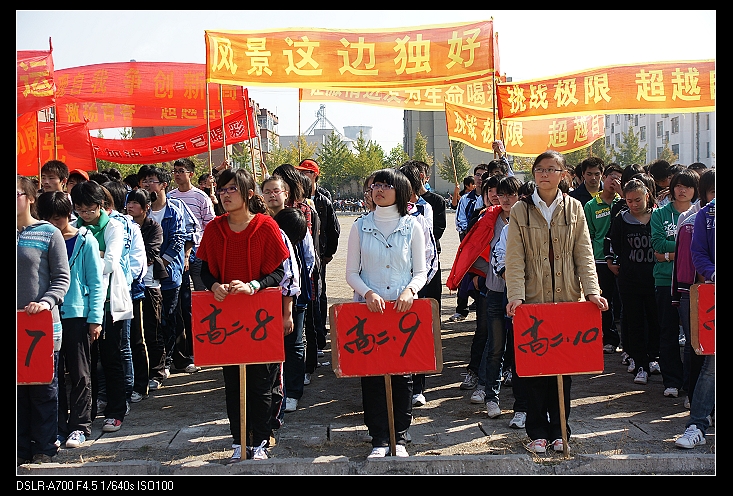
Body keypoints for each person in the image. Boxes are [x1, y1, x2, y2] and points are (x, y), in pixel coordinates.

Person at [505, 151, 608, 454]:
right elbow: (514, 258)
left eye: (552, 169)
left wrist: (591, 291)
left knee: (564, 369)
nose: (545, 174)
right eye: (540, 169)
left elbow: (584, 253)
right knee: (536, 370)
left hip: (566, 300)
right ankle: (536, 430)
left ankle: (561, 430)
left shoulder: (575, 208)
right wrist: (516, 296)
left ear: (564, 174)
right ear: (534, 174)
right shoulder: (521, 211)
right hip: (533, 302)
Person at [196, 168, 290, 463]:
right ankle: (239, 440)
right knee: (233, 380)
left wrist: (254, 285)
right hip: (226, 317)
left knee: (261, 383)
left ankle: (260, 440)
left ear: (249, 194)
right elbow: (202, 269)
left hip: (260, 314)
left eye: (231, 189)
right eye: (221, 190)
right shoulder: (214, 228)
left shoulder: (266, 227)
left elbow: (279, 272)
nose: (225, 195)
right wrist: (214, 286)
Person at [345, 168, 427, 458]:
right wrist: (368, 293)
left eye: (386, 185)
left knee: (402, 375)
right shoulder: (360, 226)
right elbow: (351, 273)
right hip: (371, 311)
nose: (379, 190)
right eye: (375, 185)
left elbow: (421, 270)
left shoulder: (413, 226)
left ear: (400, 191)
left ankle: (400, 438)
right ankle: (379, 438)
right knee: (373, 376)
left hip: (402, 311)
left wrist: (410, 291)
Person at [37, 191, 104, 450]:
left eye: (59, 218)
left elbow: (95, 282)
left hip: (77, 314)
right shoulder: (40, 240)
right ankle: (57, 426)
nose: (54, 224)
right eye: (49, 219)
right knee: (52, 374)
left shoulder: (84, 241)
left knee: (80, 373)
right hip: (47, 314)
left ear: (69, 215)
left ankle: (80, 426)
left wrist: (95, 319)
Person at [17, 176, 71, 464]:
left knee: (42, 391)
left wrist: (46, 302)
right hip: (15, 328)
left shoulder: (48, 233)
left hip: (40, 325)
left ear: (30, 197)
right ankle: (20, 449)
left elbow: (62, 278)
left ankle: (46, 448)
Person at [70, 180, 131, 434]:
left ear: (101, 205)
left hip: (108, 303)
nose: (85, 215)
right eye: (81, 210)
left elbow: (110, 264)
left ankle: (116, 411)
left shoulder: (114, 227)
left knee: (111, 358)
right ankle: (89, 410)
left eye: (90, 210)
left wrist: (91, 261)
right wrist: (99, 256)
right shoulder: (75, 229)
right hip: (82, 305)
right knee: (86, 362)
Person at [262, 175, 311, 413]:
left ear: (286, 194)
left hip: (293, 292)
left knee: (293, 342)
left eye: (276, 191)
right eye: (267, 191)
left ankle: (293, 390)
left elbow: (308, 258)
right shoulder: (259, 222)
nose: (272, 195)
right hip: (266, 295)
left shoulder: (295, 219)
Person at [609, 178, 661, 386]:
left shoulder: (657, 217)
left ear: (646, 196)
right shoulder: (621, 220)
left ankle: (654, 357)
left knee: (655, 320)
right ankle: (640, 363)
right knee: (635, 322)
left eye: (637, 200)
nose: (633, 204)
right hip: (630, 279)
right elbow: (616, 246)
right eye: (629, 201)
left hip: (655, 278)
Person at [650, 168, 698, 399]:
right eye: (678, 185)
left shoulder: (700, 215)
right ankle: (671, 380)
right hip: (664, 280)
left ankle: (691, 384)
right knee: (667, 331)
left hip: (692, 283)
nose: (682, 190)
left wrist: (672, 251)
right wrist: (683, 249)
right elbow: (658, 244)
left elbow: (700, 246)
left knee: (692, 337)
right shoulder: (660, 214)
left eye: (688, 186)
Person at [492, 180, 535, 430]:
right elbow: (498, 256)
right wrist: (512, 279)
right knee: (520, 356)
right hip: (518, 302)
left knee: (546, 357)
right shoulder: (510, 229)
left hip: (548, 301)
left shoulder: (556, 224)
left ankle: (545, 409)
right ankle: (521, 408)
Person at [674, 191, 715, 449]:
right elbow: (697, 253)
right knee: (712, 363)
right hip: (712, 293)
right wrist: (713, 274)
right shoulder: (707, 214)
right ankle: (697, 423)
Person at [141, 167, 187, 389]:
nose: (148, 184)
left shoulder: (174, 211)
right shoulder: (141, 212)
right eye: (145, 181)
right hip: (145, 278)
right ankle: (159, 361)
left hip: (169, 275)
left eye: (152, 180)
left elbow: (178, 240)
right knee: (153, 321)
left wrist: (160, 264)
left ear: (163, 185)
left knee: (168, 317)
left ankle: (167, 360)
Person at [168, 158, 215, 374]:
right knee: (183, 303)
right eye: (174, 171)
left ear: (191, 174)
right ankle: (186, 348)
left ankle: (205, 345)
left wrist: (199, 246)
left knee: (202, 301)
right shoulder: (170, 197)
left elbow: (210, 225)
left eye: (181, 171)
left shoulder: (200, 197)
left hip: (198, 255)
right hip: (177, 259)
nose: (177, 175)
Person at [399, 162, 438, 407]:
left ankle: (418, 387)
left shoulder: (423, 212)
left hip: (418, 284)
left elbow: (427, 253)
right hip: (393, 289)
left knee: (417, 334)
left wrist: (416, 283)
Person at [295, 159, 340, 361]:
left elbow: (333, 229)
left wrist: (328, 253)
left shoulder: (323, 200)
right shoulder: (295, 199)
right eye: (300, 172)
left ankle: (319, 339)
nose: (302, 175)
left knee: (319, 295)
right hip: (301, 256)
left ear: (314, 175)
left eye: (306, 172)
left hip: (319, 256)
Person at [126, 188, 166, 404]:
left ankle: (157, 372)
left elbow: (150, 254)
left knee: (152, 329)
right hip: (130, 287)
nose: (131, 206)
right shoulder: (124, 226)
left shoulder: (153, 227)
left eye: (135, 203)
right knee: (135, 335)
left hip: (149, 284)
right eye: (129, 202)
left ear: (146, 207)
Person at [584, 163, 623, 354]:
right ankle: (609, 338)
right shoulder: (591, 205)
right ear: (604, 179)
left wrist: (623, 194)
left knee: (624, 302)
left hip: (622, 259)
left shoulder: (623, 202)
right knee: (605, 300)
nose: (614, 182)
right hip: (599, 259)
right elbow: (588, 235)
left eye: (619, 179)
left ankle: (628, 343)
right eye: (611, 177)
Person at [451, 163, 488, 323]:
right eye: (478, 175)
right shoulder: (467, 199)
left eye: (483, 175)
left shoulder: (491, 197)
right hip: (469, 245)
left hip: (487, 249)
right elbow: (460, 222)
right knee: (464, 278)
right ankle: (461, 309)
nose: (480, 178)